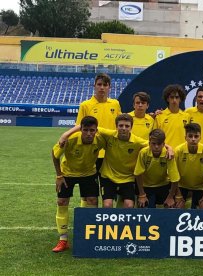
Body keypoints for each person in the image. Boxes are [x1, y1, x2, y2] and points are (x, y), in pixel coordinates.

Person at [51, 116, 104, 252]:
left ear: (96, 130)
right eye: (85, 130)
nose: (88, 133)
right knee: (62, 202)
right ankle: (63, 240)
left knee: (92, 201)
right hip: (68, 174)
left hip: (89, 173)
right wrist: (59, 175)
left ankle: (90, 236)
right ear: (80, 130)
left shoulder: (100, 139)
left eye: (91, 130)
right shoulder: (71, 140)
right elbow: (55, 154)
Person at [74, 73, 122, 207]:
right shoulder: (85, 105)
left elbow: (121, 125)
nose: (102, 88)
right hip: (91, 152)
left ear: (109, 88)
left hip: (110, 153)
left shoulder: (115, 104)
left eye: (105, 85)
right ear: (94, 86)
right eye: (99, 84)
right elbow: (79, 127)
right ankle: (87, 219)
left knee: (109, 190)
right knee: (89, 191)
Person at [99, 113, 148, 209]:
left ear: (131, 127)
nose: (124, 128)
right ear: (116, 127)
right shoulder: (110, 136)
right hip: (108, 176)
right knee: (107, 205)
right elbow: (88, 126)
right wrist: (65, 135)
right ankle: (109, 224)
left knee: (129, 205)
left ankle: (124, 224)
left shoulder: (137, 142)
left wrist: (169, 149)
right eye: (121, 125)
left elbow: (155, 144)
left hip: (128, 178)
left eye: (127, 126)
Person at [134, 129, 181, 208]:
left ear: (163, 144)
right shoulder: (143, 153)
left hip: (163, 185)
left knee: (170, 206)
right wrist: (142, 194)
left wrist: (170, 197)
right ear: (149, 143)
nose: (156, 147)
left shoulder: (168, 154)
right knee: (145, 207)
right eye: (153, 144)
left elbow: (175, 178)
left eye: (159, 144)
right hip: (147, 186)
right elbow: (138, 174)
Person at [174, 123, 203, 209]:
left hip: (200, 186)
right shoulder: (178, 151)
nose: (193, 139)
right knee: (178, 206)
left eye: (196, 136)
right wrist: (178, 195)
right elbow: (173, 175)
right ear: (185, 137)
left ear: (200, 137)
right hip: (181, 185)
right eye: (190, 136)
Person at [154, 84, 190, 149]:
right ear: (167, 99)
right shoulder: (159, 116)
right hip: (165, 152)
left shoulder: (187, 116)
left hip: (182, 153)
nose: (174, 100)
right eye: (172, 97)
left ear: (180, 99)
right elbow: (155, 138)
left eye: (177, 97)